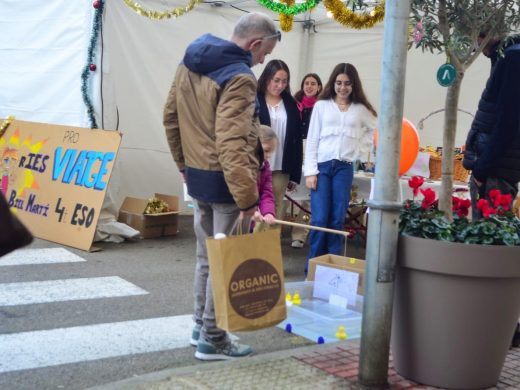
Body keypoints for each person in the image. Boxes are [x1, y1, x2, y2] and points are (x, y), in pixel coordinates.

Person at [163, 12, 280, 361]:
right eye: (264, 54)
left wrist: (183, 165)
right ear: (254, 43)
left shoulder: (190, 60)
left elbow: (170, 116)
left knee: (205, 257)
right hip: (227, 183)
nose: (262, 62)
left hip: (198, 176)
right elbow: (231, 141)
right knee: (223, 261)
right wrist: (248, 200)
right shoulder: (240, 77)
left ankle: (200, 325)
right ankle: (213, 337)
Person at [303, 63, 377, 274]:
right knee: (319, 219)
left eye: (347, 83)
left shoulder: (360, 109)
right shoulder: (322, 106)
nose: (342, 87)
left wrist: (360, 150)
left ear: (354, 85)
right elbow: (313, 138)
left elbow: (375, 129)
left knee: (336, 219)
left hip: (344, 168)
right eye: (338, 83)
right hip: (322, 167)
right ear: (332, 83)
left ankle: (332, 270)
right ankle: (313, 268)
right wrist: (310, 172)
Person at [463, 33, 520, 220]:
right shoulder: (506, 55)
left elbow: (508, 123)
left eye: (475, 36)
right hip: (496, 170)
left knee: (488, 242)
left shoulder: (513, 58)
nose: (475, 45)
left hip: (495, 173)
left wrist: (481, 171)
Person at [257, 60, 303, 224]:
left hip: (281, 166)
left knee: (274, 208)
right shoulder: (254, 100)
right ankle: (250, 244)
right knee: (254, 206)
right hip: (256, 164)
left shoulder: (291, 104)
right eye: (276, 80)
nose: (280, 85)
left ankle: (269, 246)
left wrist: (295, 174)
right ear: (267, 78)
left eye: (284, 81)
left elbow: (296, 141)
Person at [290, 73, 323, 248]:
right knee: (289, 192)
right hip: (295, 151)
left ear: (319, 87)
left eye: (313, 84)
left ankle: (300, 235)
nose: (309, 86)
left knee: (307, 197)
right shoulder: (294, 104)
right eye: (306, 83)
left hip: (313, 154)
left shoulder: (322, 106)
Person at [253, 125, 278, 230]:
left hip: (249, 222)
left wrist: (268, 212)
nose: (269, 156)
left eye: (271, 152)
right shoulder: (242, 166)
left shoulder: (265, 167)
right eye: (266, 150)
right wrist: (250, 210)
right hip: (234, 217)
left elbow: (266, 193)